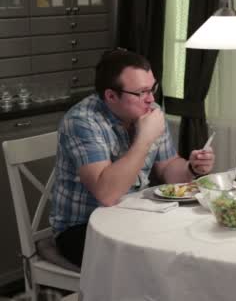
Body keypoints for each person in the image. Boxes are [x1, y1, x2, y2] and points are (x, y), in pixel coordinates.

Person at [49, 49, 215, 267]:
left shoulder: (149, 110)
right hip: (84, 228)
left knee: (192, 244)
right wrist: (144, 139)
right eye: (141, 92)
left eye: (152, 88)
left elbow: (168, 167)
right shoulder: (82, 121)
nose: (151, 99)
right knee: (156, 263)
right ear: (111, 96)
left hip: (133, 215)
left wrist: (193, 168)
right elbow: (107, 195)